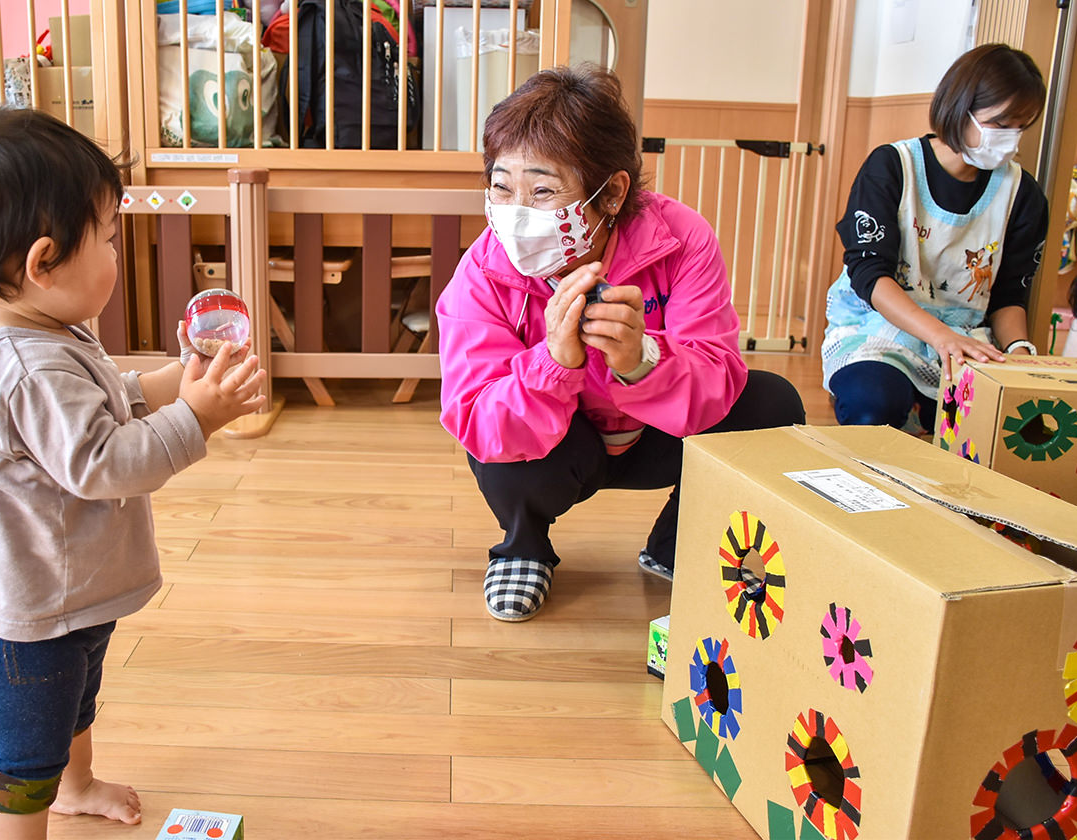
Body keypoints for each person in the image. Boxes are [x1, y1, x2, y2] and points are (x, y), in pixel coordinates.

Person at [0, 108, 267, 839]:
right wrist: (199, 416)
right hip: (24, 614)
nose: (117, 249)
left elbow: (102, 398)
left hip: (65, 588)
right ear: (44, 262)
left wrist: (180, 378)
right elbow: (105, 463)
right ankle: (42, 797)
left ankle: (74, 786)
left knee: (75, 700)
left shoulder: (40, 328)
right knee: (23, 762)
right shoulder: (23, 367)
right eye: (109, 238)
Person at [436, 65, 806, 623]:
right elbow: (477, 417)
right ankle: (523, 548)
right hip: (563, 447)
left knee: (771, 403)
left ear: (610, 194)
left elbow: (715, 373)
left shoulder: (679, 239)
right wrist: (553, 364)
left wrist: (642, 362)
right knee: (500, 440)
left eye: (542, 190)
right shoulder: (483, 271)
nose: (514, 214)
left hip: (656, 435)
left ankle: (676, 542)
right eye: (501, 186)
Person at [823, 43, 1049, 431]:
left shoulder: (1022, 195)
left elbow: (1010, 295)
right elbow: (870, 275)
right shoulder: (893, 167)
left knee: (992, 427)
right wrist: (939, 336)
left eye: (1021, 126)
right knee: (872, 405)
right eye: (999, 123)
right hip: (879, 327)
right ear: (962, 109)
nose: (1010, 139)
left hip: (966, 337)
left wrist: (1017, 352)